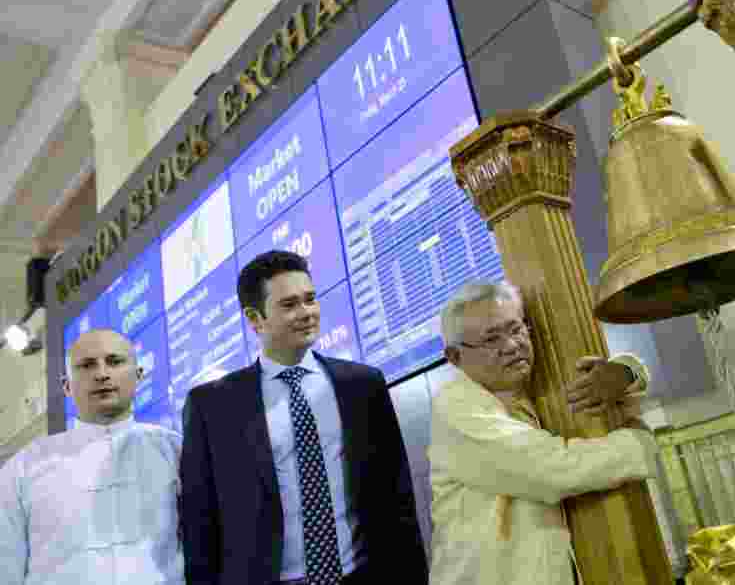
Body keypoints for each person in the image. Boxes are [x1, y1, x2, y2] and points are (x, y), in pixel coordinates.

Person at [180, 250, 427, 585]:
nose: (306, 312)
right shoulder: (212, 406)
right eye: (289, 304)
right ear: (255, 318)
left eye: (310, 300)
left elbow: (396, 494)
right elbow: (200, 522)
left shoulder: (362, 385)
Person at [428, 280, 662, 585]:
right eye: (491, 340)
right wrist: (641, 440)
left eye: (516, 329)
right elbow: (552, 469)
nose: (511, 346)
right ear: (455, 357)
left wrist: (628, 371)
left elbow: (609, 373)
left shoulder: (522, 389)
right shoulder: (455, 407)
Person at [0, 329, 184, 584]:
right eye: (87, 365)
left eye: (115, 361)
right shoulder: (23, 468)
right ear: (66, 386)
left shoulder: (175, 451)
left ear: (139, 375)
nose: (102, 374)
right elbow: (5, 566)